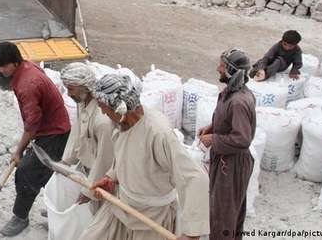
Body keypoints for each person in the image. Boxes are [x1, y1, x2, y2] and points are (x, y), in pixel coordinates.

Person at [80, 73, 209, 240]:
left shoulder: (158, 132)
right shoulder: (122, 123)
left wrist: (191, 234)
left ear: (119, 107)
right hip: (121, 206)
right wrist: (111, 177)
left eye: (103, 107)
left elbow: (195, 178)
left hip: (151, 218)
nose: (103, 113)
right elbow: (127, 155)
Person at [0, 41, 71, 237]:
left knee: (26, 173)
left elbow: (31, 126)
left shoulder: (28, 84)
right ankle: (57, 211)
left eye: (3, 66)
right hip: (52, 128)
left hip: (53, 133)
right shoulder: (26, 68)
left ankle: (20, 217)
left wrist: (18, 152)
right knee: (48, 174)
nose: (0, 70)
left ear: (15, 62)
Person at [197, 49, 256, 240]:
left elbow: (242, 139)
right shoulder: (229, 94)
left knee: (223, 215)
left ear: (231, 71)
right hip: (225, 160)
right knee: (228, 211)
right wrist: (212, 127)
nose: (218, 69)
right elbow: (226, 121)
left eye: (222, 66)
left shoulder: (239, 101)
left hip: (231, 165)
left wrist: (214, 139)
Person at [59, 62, 115, 213]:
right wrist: (65, 161)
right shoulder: (82, 102)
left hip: (104, 177)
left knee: (103, 213)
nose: (68, 94)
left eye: (71, 89)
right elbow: (77, 131)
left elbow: (105, 159)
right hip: (88, 170)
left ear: (85, 87)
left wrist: (89, 191)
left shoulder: (102, 119)